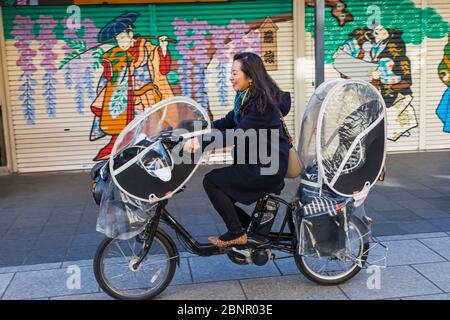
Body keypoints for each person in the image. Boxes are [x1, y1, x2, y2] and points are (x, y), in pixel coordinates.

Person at [184, 52, 291, 248]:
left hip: (266, 167)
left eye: (234, 73)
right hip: (256, 162)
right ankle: (246, 230)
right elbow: (227, 121)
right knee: (221, 189)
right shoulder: (247, 98)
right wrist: (192, 130)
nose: (230, 77)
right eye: (230, 73)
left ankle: (236, 232)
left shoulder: (262, 106)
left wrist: (201, 142)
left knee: (212, 182)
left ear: (250, 77)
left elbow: (238, 133)